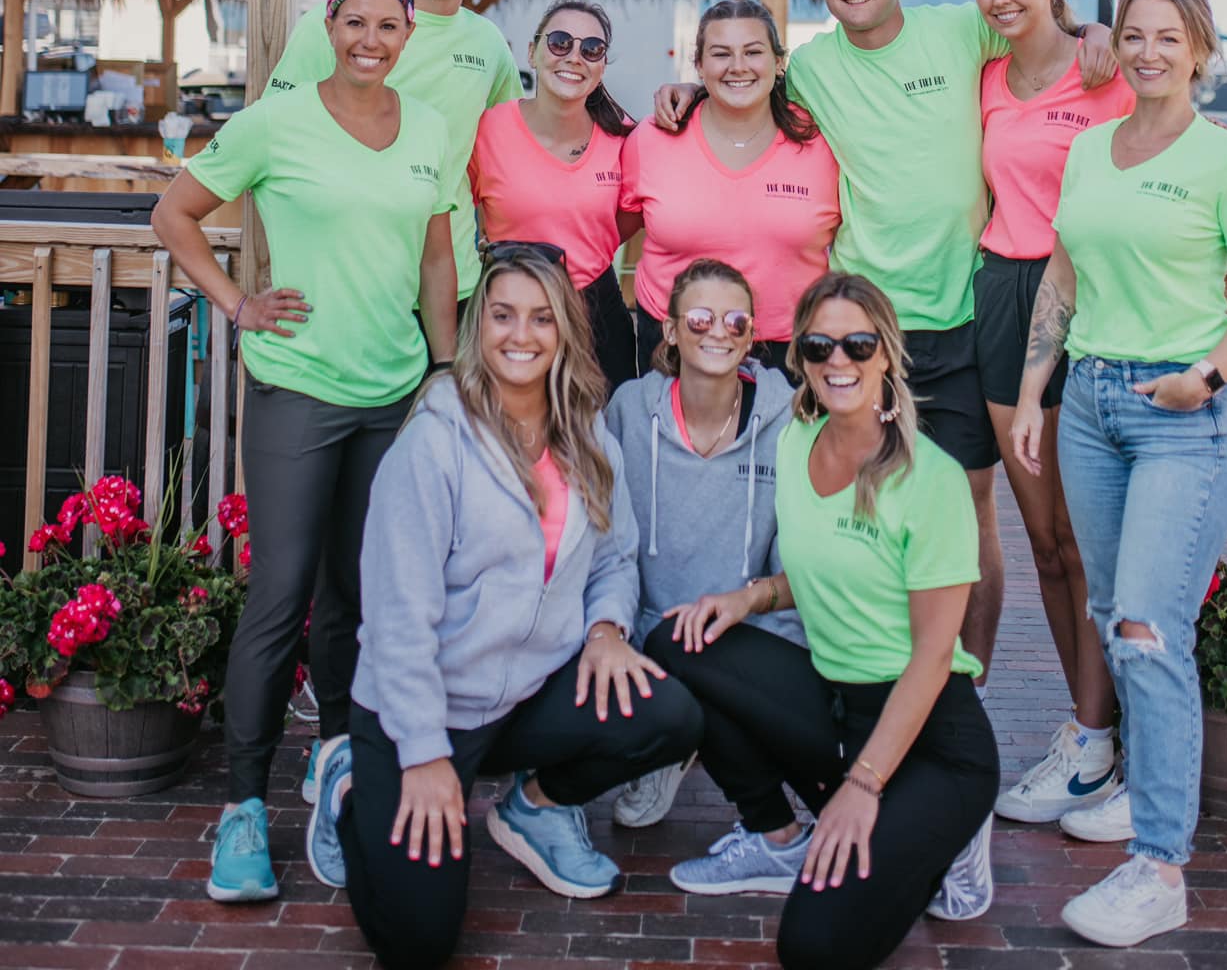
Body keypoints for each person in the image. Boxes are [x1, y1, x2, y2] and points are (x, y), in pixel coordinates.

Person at [655, 0, 1113, 676]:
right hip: (862, 333)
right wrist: (692, 93)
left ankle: (963, 691)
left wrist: (1094, 31)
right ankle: (877, 676)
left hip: (965, 315)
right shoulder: (812, 70)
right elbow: (745, 91)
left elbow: (1040, 26)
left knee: (968, 513)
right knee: (863, 507)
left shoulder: (960, 29)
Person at [151, 0, 460, 906]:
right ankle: (243, 808)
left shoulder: (430, 129)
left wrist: (445, 371)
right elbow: (173, 214)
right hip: (297, 387)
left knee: (357, 597)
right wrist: (235, 303)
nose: (370, 38)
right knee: (279, 596)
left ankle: (337, 763)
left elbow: (438, 260)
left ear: (407, 34)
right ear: (329, 27)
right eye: (354, 21)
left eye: (387, 25)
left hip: (392, 393)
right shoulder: (274, 123)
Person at [303, 245, 704, 970]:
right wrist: (424, 756)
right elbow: (397, 622)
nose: (522, 335)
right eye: (503, 316)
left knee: (668, 714)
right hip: (419, 713)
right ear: (476, 327)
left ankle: (534, 807)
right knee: (418, 941)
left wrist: (606, 629)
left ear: (565, 331)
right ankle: (352, 792)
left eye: (542, 318)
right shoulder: (434, 442)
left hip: (522, 700)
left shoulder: (586, 433)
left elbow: (614, 558)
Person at [1014, 0, 1227, 949]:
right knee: (1108, 609)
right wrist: (1035, 387)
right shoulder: (1091, 148)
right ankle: (1134, 782)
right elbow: (1063, 272)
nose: (1147, 51)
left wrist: (1202, 379)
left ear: (1199, 49)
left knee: (1146, 625)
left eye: (1169, 36)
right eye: (1133, 34)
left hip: (1183, 411)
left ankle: (1159, 864)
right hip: (1092, 401)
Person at [651, 272, 999, 965]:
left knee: (810, 947)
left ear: (886, 353)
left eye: (858, 345)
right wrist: (748, 598)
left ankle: (948, 836)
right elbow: (827, 574)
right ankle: (777, 836)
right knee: (678, 641)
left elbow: (935, 654)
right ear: (801, 358)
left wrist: (864, 785)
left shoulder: (930, 479)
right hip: (839, 711)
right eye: (819, 346)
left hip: (932, 740)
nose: (838, 361)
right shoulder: (796, 442)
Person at [967, 0, 1134, 824]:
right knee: (1042, 540)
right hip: (1003, 293)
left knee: (1086, 536)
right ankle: (1086, 736)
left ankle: (1104, 735)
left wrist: (1102, 30)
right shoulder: (986, 79)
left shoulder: (1105, 70)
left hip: (1088, 297)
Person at [605, 258, 802, 835]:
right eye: (699, 319)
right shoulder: (628, 412)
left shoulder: (788, 420)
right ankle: (666, 746)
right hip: (649, 637)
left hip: (745, 635)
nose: (719, 331)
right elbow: (605, 541)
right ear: (669, 330)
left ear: (752, 335)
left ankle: (770, 816)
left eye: (736, 321)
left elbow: (796, 564)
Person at [265, 0, 521, 305]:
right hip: (344, 287)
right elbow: (272, 145)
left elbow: (514, 150)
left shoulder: (489, 44)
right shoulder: (335, 26)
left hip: (452, 288)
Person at [625, 0, 840, 376]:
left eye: (753, 52)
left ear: (778, 63)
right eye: (721, 54)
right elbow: (611, 228)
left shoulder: (822, 141)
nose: (738, 66)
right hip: (675, 345)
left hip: (790, 349)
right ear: (699, 64)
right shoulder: (653, 138)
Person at [471, 0, 638, 393]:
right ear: (532, 52)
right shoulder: (488, 129)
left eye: (592, 49)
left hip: (596, 312)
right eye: (560, 42)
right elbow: (456, 211)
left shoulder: (624, 137)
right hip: (511, 310)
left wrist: (588, 245)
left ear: (602, 65)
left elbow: (634, 213)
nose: (574, 57)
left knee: (605, 429)